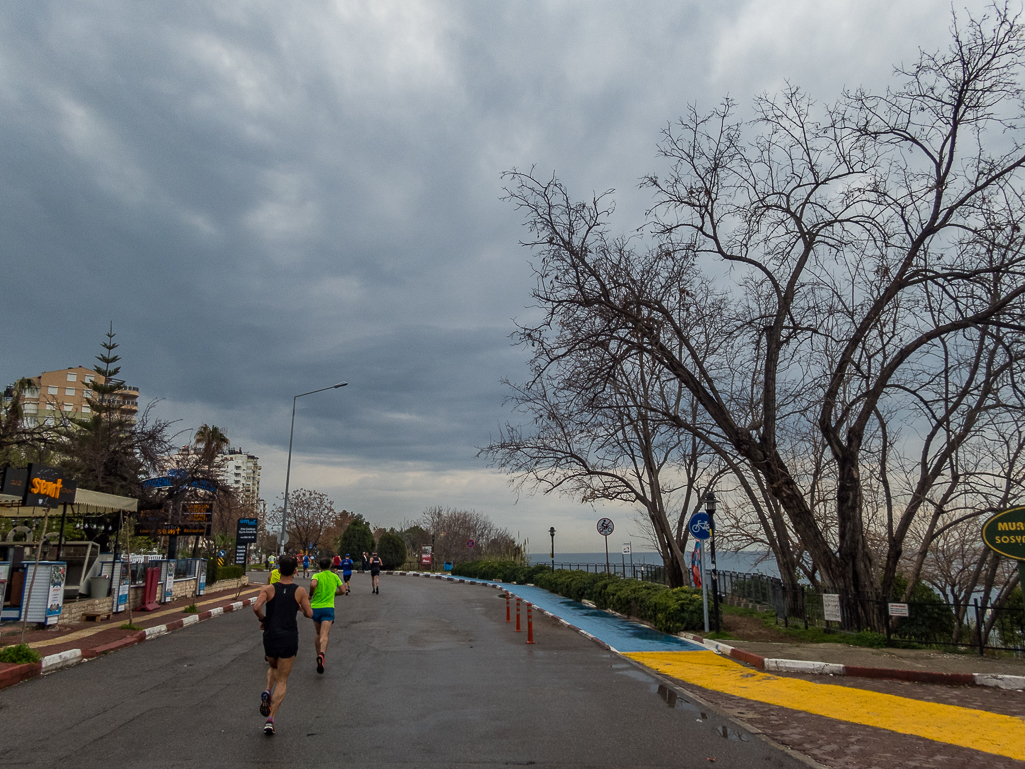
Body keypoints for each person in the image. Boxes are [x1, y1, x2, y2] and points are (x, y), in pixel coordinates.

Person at [253, 555, 313, 735]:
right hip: (288, 636)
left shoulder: (269, 589)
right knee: (283, 679)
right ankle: (270, 719)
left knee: (273, 666)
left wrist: (263, 619)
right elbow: (309, 614)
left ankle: (266, 690)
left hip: (270, 636)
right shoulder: (300, 591)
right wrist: (301, 609)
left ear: (278, 570)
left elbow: (256, 607)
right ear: (296, 571)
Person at [308, 557, 344, 674]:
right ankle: (322, 655)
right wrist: (335, 594)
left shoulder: (317, 576)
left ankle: (318, 655)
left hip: (316, 608)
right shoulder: (334, 576)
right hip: (328, 608)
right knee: (324, 634)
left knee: (318, 633)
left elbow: (313, 585)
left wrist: (311, 594)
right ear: (330, 566)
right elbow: (343, 590)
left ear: (319, 566)